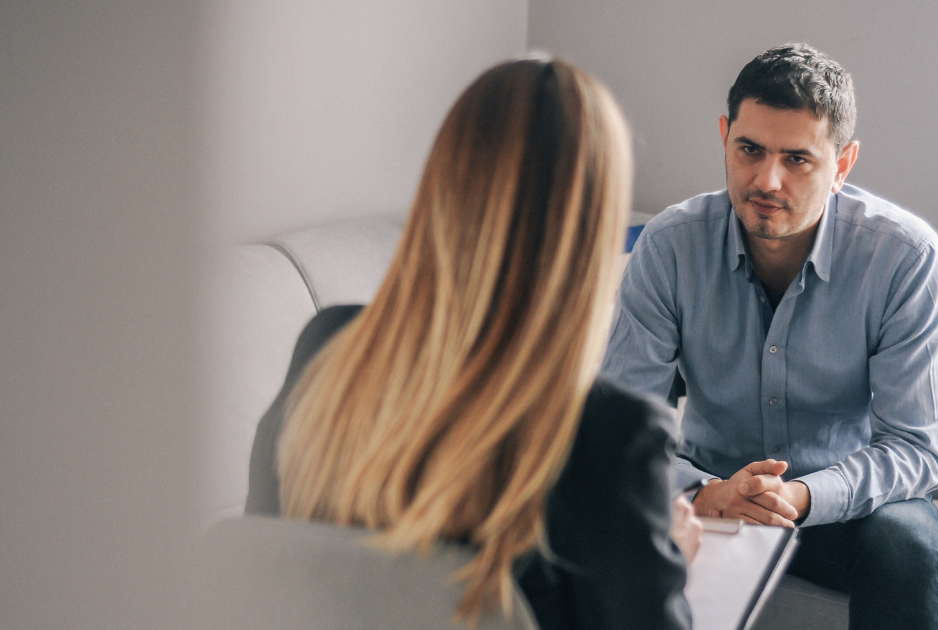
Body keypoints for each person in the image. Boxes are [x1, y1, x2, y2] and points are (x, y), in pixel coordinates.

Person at [245, 57, 700, 630]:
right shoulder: (609, 439)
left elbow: (256, 567)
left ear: (441, 187)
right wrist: (670, 560)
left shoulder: (325, 350)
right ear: (589, 229)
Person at [602, 43, 938, 629]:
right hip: (708, 500)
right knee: (586, 508)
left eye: (798, 159)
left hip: (843, 507)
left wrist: (800, 496)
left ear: (842, 165)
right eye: (750, 150)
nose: (767, 179)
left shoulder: (902, 257)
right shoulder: (669, 247)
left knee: (905, 542)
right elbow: (622, 429)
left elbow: (915, 448)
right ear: (724, 137)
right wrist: (708, 493)